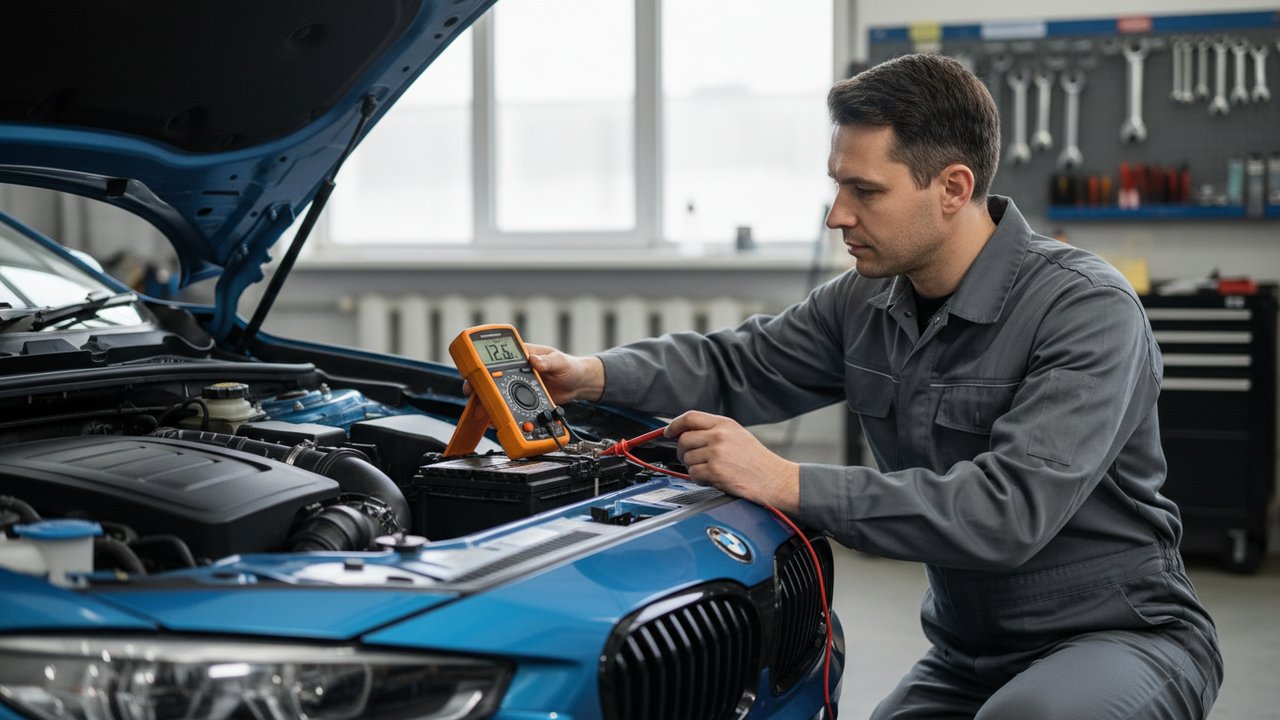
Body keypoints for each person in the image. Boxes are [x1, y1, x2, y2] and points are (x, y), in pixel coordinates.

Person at [523, 53, 1222, 718]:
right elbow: (736, 365)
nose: (837, 215)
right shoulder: (864, 301)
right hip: (967, 654)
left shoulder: (1086, 309)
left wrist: (786, 481)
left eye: (866, 191)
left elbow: (1006, 512)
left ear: (952, 188)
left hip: (1119, 636)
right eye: (837, 184)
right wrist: (590, 374)